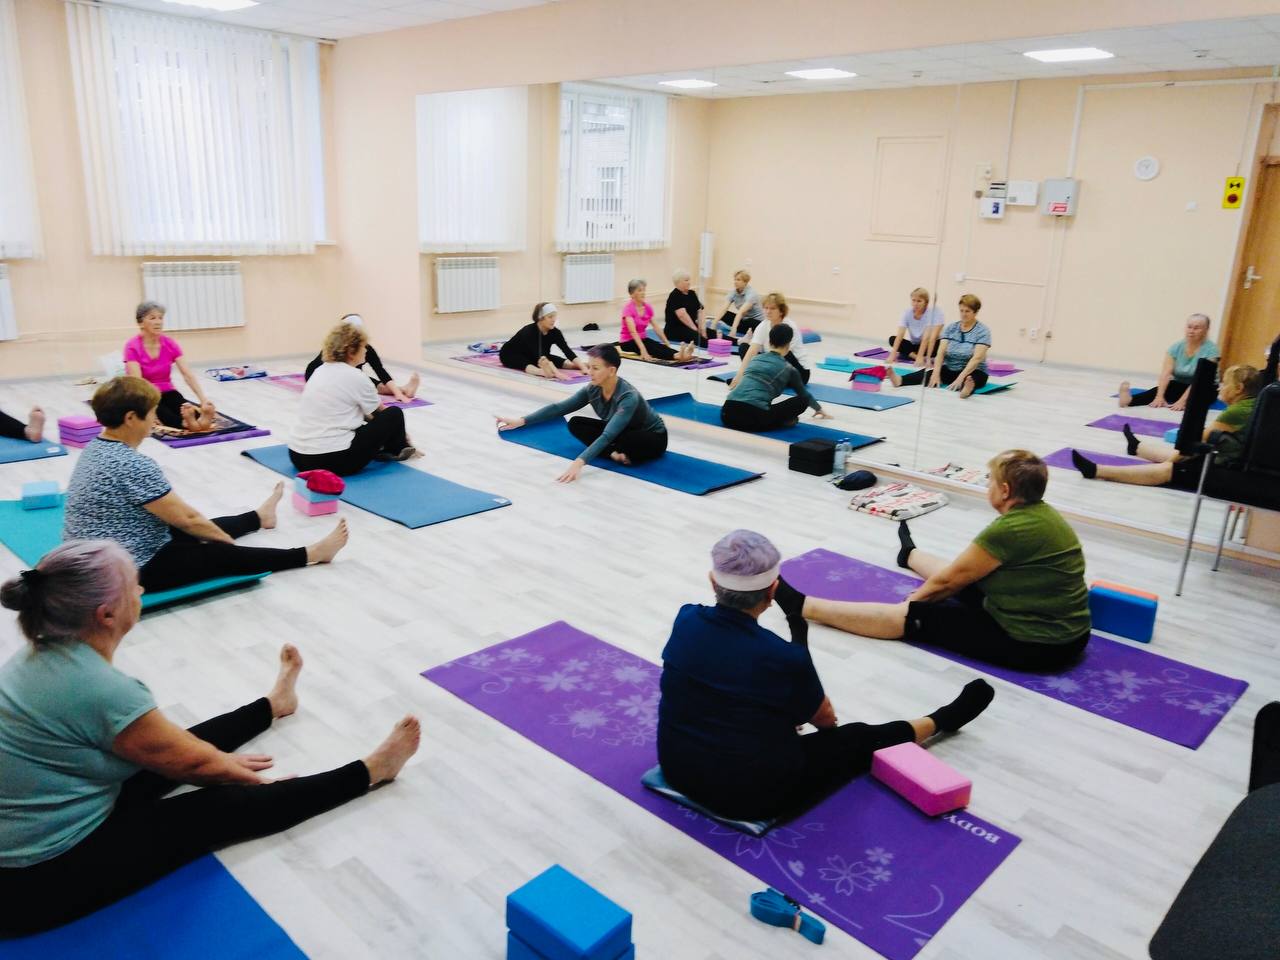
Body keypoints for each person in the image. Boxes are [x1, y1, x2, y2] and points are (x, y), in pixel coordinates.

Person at [0, 539, 420, 936]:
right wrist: (251, 781)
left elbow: (178, 750)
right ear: (106, 615)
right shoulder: (100, 689)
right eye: (133, 586)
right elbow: (197, 765)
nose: (142, 589)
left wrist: (212, 761)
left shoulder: (38, 657)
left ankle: (274, 704)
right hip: (31, 883)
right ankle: (372, 771)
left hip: (54, 816)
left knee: (178, 743)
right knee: (216, 808)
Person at [655, 529, 995, 822]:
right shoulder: (783, 657)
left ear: (712, 581)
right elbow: (826, 722)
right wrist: (802, 685)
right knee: (855, 738)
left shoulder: (686, 619)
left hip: (677, 768)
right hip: (750, 799)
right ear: (773, 591)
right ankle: (943, 720)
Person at [775, 450, 1091, 672]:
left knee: (919, 614)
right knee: (962, 577)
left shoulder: (1010, 529)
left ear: (1005, 490)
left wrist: (913, 603)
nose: (988, 487)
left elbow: (948, 582)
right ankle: (910, 554)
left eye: (991, 481)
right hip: (1071, 634)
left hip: (1036, 646)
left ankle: (803, 606)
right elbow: (961, 573)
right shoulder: (1045, 515)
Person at [64, 377, 348, 594]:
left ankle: (259, 518)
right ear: (130, 418)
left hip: (96, 559)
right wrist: (226, 545)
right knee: (215, 551)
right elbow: (188, 519)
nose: (155, 419)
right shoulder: (132, 464)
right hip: (125, 571)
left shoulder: (96, 447)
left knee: (191, 530)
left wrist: (206, 533)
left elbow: (183, 520)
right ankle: (311, 554)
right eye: (151, 413)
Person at [495, 345, 667, 482]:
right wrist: (521, 421)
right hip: (620, 431)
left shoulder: (628, 396)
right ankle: (614, 453)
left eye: (595, 368)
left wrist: (579, 463)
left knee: (626, 439)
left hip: (651, 436)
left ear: (611, 371)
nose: (589, 372)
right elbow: (559, 408)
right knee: (576, 423)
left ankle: (621, 451)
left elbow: (608, 434)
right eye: (589, 367)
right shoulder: (593, 388)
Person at [1072, 364, 1262, 488]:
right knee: (1180, 456)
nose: (1220, 387)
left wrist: (1173, 461)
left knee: (1169, 469)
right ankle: (1137, 447)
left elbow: (1198, 441)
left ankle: (1097, 470)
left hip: (1228, 468)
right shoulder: (1254, 403)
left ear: (1239, 389)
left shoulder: (1236, 412)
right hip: (1233, 458)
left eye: (1225, 384)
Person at [290, 322, 420, 476]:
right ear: (351, 351)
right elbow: (382, 414)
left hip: (297, 457)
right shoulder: (357, 376)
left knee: (360, 422)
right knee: (394, 414)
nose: (366, 350)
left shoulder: (319, 371)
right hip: (331, 461)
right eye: (364, 346)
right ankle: (397, 449)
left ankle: (391, 447)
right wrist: (402, 436)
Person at [123, 301, 216, 432]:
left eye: (160, 318)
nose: (158, 322)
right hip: (145, 394)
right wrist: (149, 411)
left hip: (168, 391)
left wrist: (203, 400)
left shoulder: (169, 343)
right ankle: (188, 423)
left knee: (183, 406)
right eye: (152, 318)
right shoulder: (132, 346)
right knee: (165, 414)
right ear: (140, 323)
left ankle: (196, 420)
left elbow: (187, 374)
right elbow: (137, 384)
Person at [720, 324, 831, 432]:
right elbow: (805, 395)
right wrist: (819, 409)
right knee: (802, 401)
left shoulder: (755, 359)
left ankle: (779, 421)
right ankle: (781, 422)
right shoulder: (789, 368)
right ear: (788, 344)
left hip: (727, 414)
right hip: (752, 419)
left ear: (769, 342)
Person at [888, 294, 991, 398]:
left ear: (975, 312)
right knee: (929, 373)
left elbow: (977, 358)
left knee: (973, 378)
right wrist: (936, 373)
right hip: (951, 368)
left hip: (973, 370)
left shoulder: (982, 331)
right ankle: (900, 380)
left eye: (967, 311)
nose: (963, 314)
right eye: (961, 311)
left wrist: (960, 378)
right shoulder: (951, 328)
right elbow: (940, 352)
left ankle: (967, 389)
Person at [304, 314, 420, 403]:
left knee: (372, 385)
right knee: (361, 385)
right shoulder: (335, 349)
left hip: (352, 376)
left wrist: (397, 394)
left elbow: (380, 370)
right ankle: (403, 389)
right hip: (318, 375)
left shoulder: (365, 348)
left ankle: (403, 390)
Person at [1119, 313, 1219, 410]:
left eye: (1196, 328)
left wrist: (1182, 401)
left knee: (1197, 398)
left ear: (1206, 330)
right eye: (1189, 327)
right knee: (1166, 388)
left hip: (1204, 387)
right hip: (1181, 384)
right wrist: (1159, 397)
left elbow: (1199, 380)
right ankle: (1130, 400)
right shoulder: (1176, 347)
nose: (1191, 331)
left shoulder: (1212, 350)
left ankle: (1185, 399)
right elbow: (1165, 374)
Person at [730, 292, 812, 387]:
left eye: (772, 308)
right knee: (744, 347)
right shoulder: (763, 325)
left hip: (798, 373)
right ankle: (758, 377)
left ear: (781, 311)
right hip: (775, 366)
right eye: (766, 308)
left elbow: (782, 356)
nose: (768, 311)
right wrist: (739, 376)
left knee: (782, 354)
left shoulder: (789, 327)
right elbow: (752, 351)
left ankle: (760, 377)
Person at [614, 279, 696, 363]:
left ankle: (682, 354)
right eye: (639, 290)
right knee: (650, 348)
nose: (643, 293)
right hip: (628, 342)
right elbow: (633, 332)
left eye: (644, 290)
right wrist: (643, 350)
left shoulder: (647, 307)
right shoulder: (628, 309)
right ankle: (676, 356)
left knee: (656, 345)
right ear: (632, 294)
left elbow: (656, 327)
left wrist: (666, 342)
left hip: (643, 338)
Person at [499, 303, 588, 378]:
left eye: (554, 316)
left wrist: (583, 368)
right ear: (540, 318)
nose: (554, 320)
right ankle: (542, 372)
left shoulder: (555, 332)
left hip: (536, 355)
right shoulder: (529, 332)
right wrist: (557, 373)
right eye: (550, 317)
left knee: (556, 360)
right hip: (511, 354)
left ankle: (584, 365)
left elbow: (567, 351)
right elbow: (541, 357)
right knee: (529, 364)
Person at [887, 287, 945, 365]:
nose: (915, 304)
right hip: (915, 345)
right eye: (913, 300)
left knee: (940, 344)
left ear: (926, 303)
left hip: (927, 345)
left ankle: (912, 354)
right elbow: (900, 334)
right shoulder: (907, 313)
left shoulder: (930, 313)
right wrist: (892, 355)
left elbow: (926, 338)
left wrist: (921, 356)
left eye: (919, 301)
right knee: (892, 339)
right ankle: (914, 356)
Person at [717, 269, 764, 342]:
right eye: (735, 279)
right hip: (744, 320)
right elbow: (724, 308)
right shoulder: (733, 292)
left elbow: (741, 312)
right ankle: (743, 330)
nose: (735, 282)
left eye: (738, 280)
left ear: (745, 282)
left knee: (748, 321)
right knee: (725, 314)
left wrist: (733, 330)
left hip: (756, 322)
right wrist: (713, 324)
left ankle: (742, 330)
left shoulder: (752, 294)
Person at [664, 270, 708, 345]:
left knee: (711, 333)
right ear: (678, 282)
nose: (689, 282)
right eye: (686, 280)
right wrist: (696, 330)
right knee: (701, 340)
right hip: (675, 329)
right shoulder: (674, 295)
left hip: (691, 326)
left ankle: (730, 342)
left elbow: (700, 311)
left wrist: (703, 329)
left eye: (689, 280)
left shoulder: (692, 293)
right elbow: (682, 315)